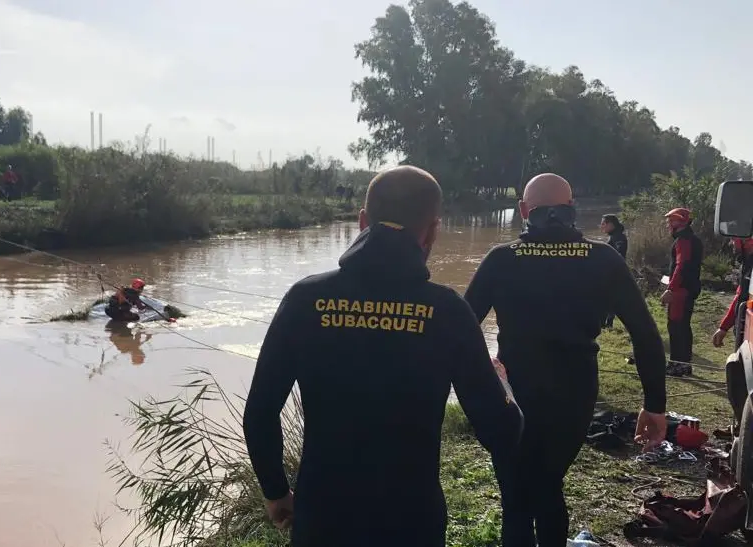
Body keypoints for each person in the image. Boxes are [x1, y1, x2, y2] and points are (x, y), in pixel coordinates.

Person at [242, 165, 522, 547]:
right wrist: (503, 381)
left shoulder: (306, 299)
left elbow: (259, 411)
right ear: (433, 231)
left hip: (323, 518)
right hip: (411, 521)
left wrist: (276, 490)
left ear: (362, 222)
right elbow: (501, 430)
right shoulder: (447, 311)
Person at [463, 173, 667, 547]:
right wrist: (654, 405)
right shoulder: (603, 257)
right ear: (572, 209)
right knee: (548, 483)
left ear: (525, 210)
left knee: (517, 496)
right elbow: (645, 334)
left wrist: (475, 385)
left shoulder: (501, 259)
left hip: (513, 393)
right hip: (575, 393)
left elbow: (459, 328)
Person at [662, 207, 703, 376]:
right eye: (669, 220)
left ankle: (677, 365)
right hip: (688, 288)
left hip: (681, 290)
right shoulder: (692, 239)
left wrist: (671, 288)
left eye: (673, 220)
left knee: (676, 327)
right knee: (683, 326)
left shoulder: (683, 240)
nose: (669, 224)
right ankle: (684, 364)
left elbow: (681, 265)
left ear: (683, 222)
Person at [713, 237, 753, 350]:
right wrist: (724, 327)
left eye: (734, 239)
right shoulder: (747, 264)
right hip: (744, 333)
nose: (732, 243)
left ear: (746, 240)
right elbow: (740, 297)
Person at [600, 214, 628, 328]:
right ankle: (605, 323)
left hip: (614, 273)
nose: (601, 226)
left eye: (603, 224)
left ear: (611, 224)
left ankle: (607, 323)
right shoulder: (613, 236)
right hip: (611, 272)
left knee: (609, 298)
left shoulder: (619, 237)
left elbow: (619, 254)